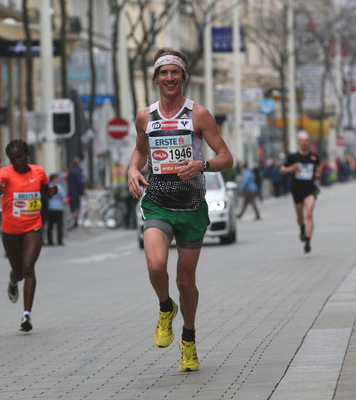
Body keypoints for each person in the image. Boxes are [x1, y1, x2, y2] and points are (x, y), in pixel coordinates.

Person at [127, 49, 233, 372]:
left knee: (186, 282)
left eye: (175, 72)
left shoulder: (198, 115)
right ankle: (164, 307)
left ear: (182, 77)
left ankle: (189, 338)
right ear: (156, 78)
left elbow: (226, 157)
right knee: (157, 264)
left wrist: (203, 164)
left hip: (191, 207)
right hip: (158, 202)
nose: (169, 78)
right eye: (164, 73)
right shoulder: (145, 116)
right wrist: (132, 169)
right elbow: (140, 153)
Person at [0, 140, 57, 332]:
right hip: (10, 230)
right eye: (13, 158)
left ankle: (26, 315)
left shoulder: (38, 172)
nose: (18, 161)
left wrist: (50, 192)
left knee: (28, 267)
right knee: (18, 271)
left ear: (27, 155)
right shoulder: (4, 173)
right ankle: (13, 281)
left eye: (20, 157)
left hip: (33, 227)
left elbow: (44, 193)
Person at [280, 131, 322, 253]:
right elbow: (282, 170)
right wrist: (291, 168)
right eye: (302, 140)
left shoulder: (314, 157)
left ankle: (307, 241)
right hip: (297, 190)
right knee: (300, 217)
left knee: (309, 214)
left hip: (310, 189)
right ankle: (302, 228)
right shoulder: (293, 157)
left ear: (309, 142)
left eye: (306, 140)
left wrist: (318, 174)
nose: (304, 142)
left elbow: (319, 166)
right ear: (298, 142)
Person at [46, 173, 66, 246]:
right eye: (57, 178)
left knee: (50, 225)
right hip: (58, 208)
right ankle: (59, 241)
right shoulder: (58, 187)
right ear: (54, 179)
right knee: (59, 225)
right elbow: (63, 195)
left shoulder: (47, 186)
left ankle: (50, 241)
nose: (58, 180)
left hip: (49, 208)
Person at [67, 157, 84, 228]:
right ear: (79, 164)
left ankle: (73, 223)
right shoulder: (78, 172)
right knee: (77, 209)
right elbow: (79, 183)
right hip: (76, 194)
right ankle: (75, 224)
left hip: (71, 193)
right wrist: (82, 192)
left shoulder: (71, 171)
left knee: (72, 209)